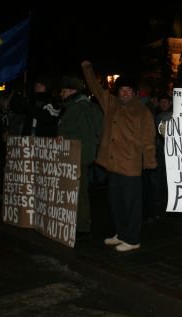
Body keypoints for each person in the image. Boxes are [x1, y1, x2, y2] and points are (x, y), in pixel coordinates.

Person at [81, 60, 157, 252]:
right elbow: (95, 88)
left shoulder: (142, 110)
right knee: (116, 203)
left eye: (128, 90)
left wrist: (149, 161)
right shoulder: (111, 103)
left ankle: (133, 239)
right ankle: (122, 233)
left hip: (131, 165)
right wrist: (87, 69)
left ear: (134, 93)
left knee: (132, 204)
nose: (124, 93)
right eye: (122, 90)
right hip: (112, 164)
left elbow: (149, 137)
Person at [57, 73, 103, 242]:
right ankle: (78, 223)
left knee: (79, 192)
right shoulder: (74, 106)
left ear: (71, 91)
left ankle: (82, 226)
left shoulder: (79, 108)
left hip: (78, 157)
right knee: (77, 191)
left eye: (63, 90)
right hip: (74, 156)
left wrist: (66, 141)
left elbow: (85, 136)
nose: (61, 94)